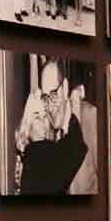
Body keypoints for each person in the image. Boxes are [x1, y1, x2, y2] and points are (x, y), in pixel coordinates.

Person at [17, 61, 88, 195]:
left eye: (53, 94)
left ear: (64, 87)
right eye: (37, 117)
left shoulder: (33, 155)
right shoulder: (38, 154)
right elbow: (75, 147)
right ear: (28, 125)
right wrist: (75, 100)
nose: (48, 108)